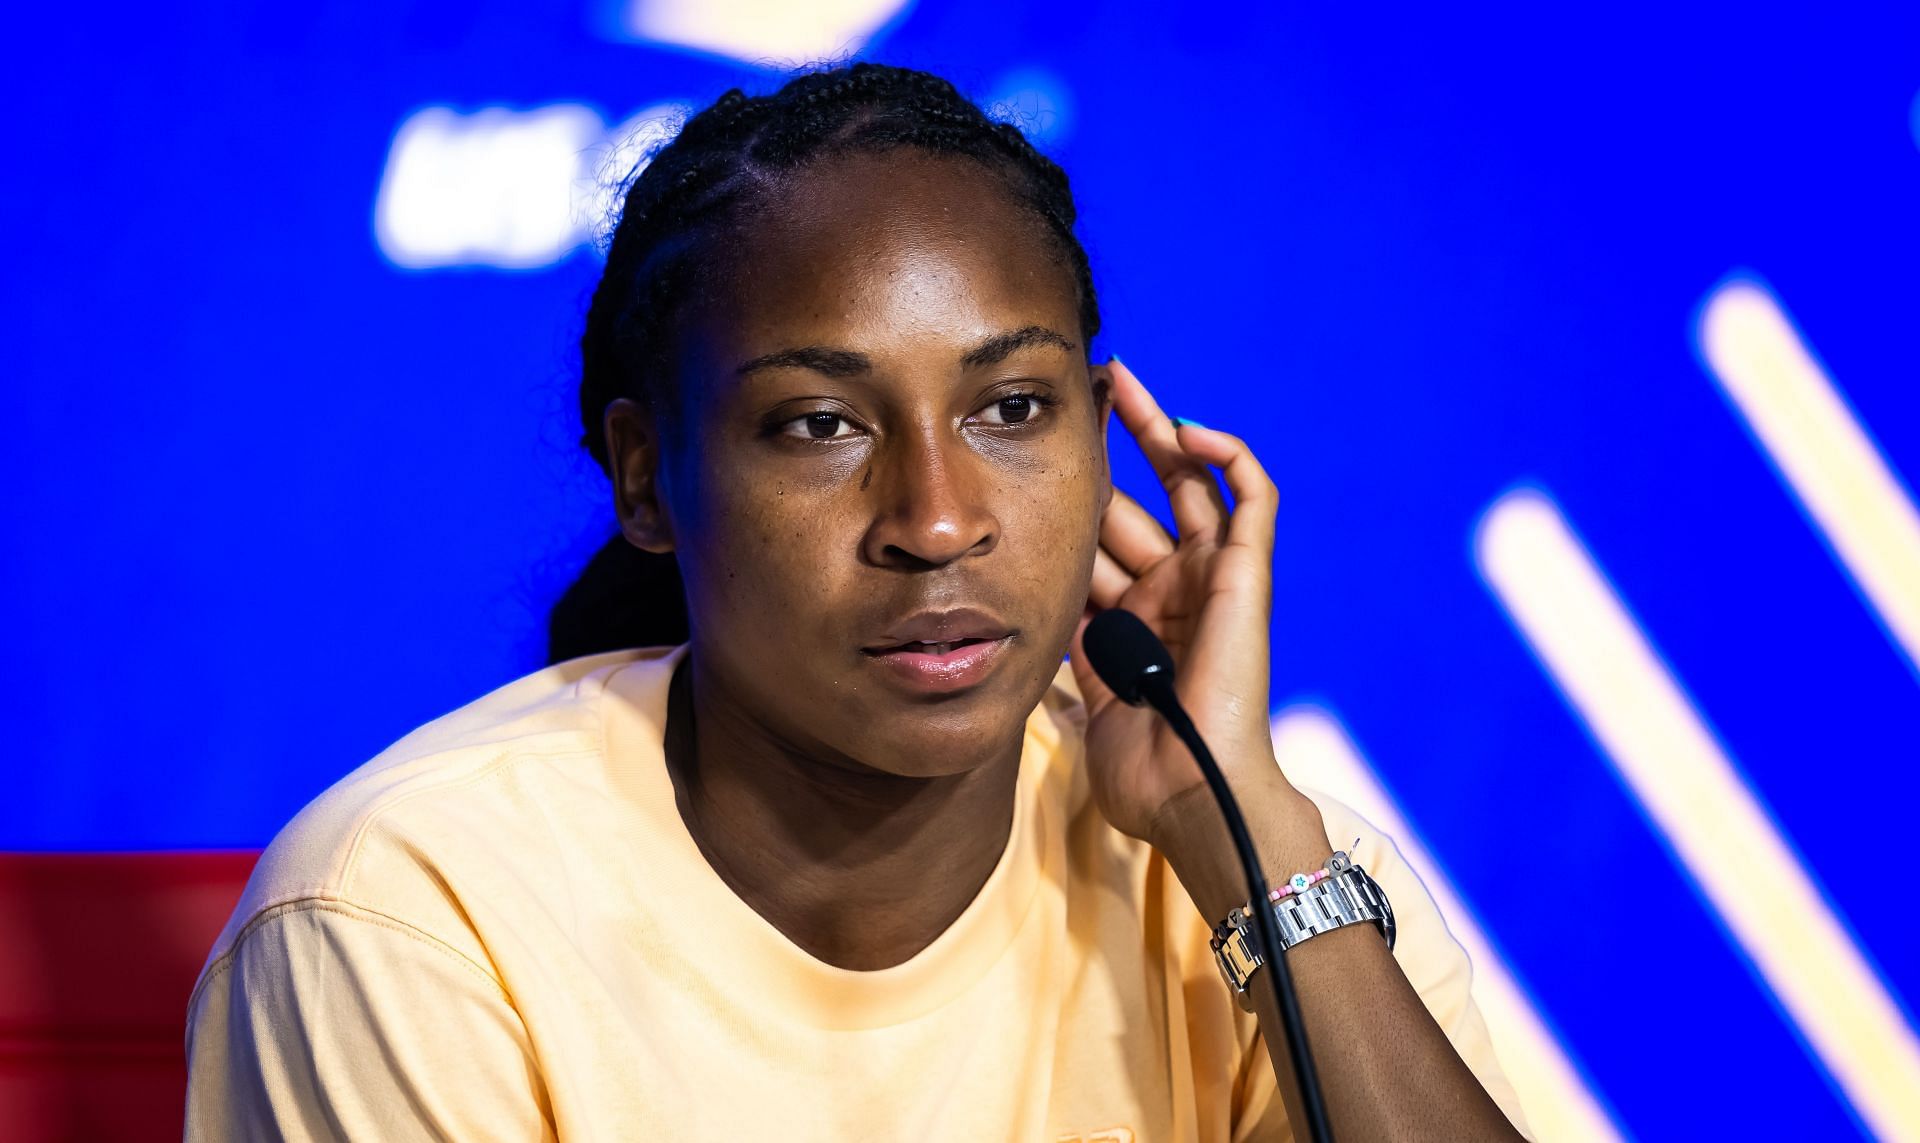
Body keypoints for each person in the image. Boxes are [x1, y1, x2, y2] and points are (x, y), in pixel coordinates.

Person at [185, 63, 1529, 1140]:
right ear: (648, 476)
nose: (939, 519)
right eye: (821, 425)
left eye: (1012, 408)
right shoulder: (416, 915)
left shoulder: (1260, 870)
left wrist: (1246, 841)